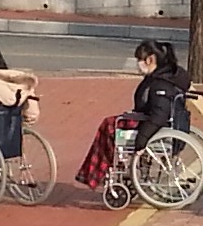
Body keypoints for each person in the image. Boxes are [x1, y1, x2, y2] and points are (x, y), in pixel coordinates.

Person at [80, 40, 191, 187]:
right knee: (110, 123)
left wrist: (142, 140)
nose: (138, 64)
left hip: (153, 124)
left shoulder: (161, 84)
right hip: (154, 120)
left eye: (139, 60)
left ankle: (94, 174)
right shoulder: (163, 77)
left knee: (109, 126)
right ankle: (95, 173)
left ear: (150, 60)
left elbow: (159, 115)